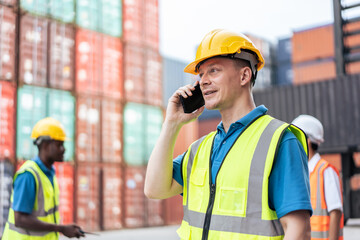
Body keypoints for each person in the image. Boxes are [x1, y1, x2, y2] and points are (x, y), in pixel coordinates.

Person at [145, 29, 312, 239]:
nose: (203, 81)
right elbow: (154, 189)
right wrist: (171, 124)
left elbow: (298, 230)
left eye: (213, 71)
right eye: (201, 74)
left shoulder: (279, 140)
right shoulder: (200, 149)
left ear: (244, 75)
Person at [2, 117, 84, 239]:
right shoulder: (28, 175)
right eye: (59, 145)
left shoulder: (49, 173)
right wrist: (61, 228)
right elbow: (20, 219)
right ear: (45, 145)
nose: (63, 149)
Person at [292, 115, 344, 240]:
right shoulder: (302, 172)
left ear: (307, 141)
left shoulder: (325, 171)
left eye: (295, 139)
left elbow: (335, 212)